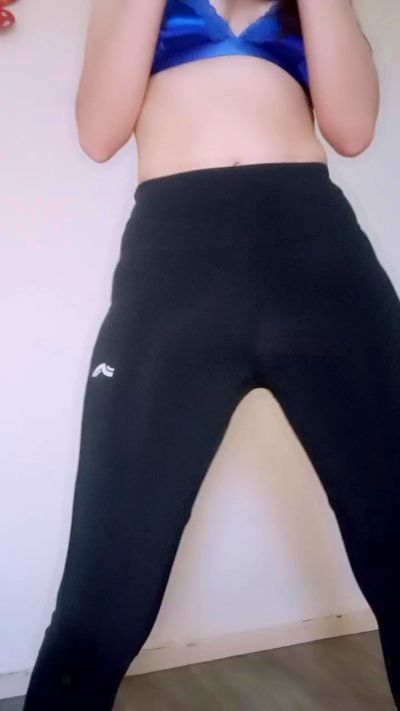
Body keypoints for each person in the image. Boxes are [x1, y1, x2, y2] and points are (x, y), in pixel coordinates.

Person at [23, 1, 400, 710]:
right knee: (101, 602)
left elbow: (353, 130)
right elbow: (98, 133)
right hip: (174, 274)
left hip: (322, 264)